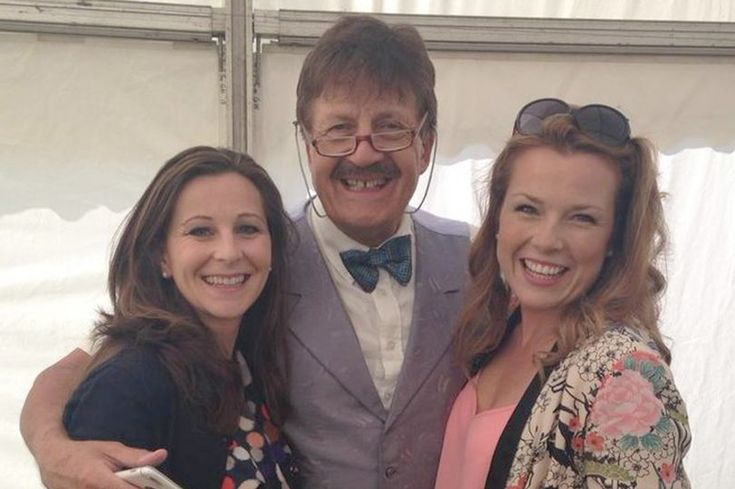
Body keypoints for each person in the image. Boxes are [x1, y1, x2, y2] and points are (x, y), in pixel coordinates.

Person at [20, 16, 470, 489]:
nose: (362, 153)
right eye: (338, 130)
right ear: (306, 143)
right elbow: (76, 371)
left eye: (390, 128)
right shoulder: (257, 260)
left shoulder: (477, 260)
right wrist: (57, 452)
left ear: (425, 145)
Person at [434, 98, 691, 488]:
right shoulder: (497, 327)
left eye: (581, 218)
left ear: (614, 239)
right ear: (498, 216)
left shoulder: (626, 374)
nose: (547, 240)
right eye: (528, 209)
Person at [60, 146, 299, 488]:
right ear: (162, 256)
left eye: (248, 228)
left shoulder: (251, 362)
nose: (229, 252)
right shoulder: (129, 384)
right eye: (201, 231)